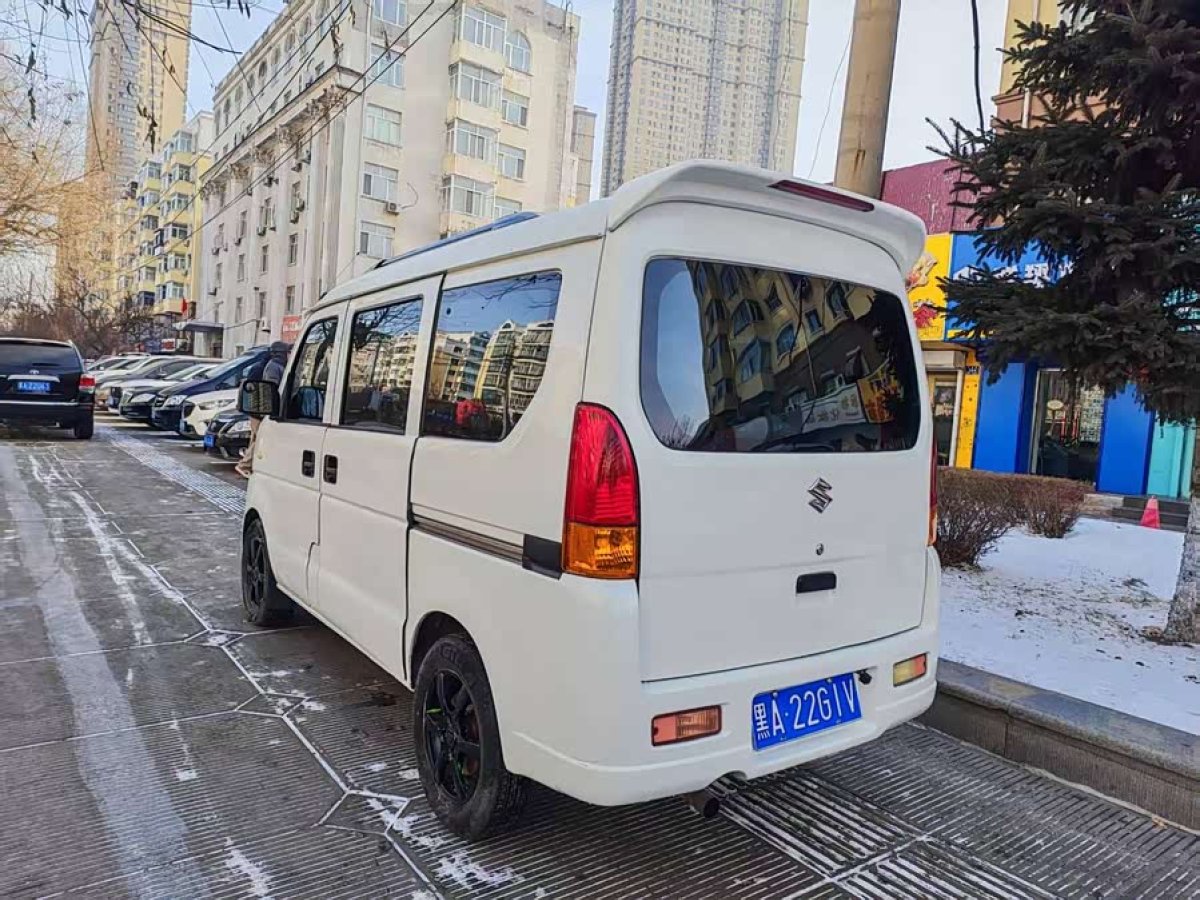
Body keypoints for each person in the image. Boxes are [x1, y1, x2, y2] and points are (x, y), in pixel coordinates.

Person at [236, 341, 290, 478]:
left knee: (256, 437)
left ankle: (250, 464)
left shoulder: (265, 365)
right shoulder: (273, 367)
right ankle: (244, 465)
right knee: (259, 438)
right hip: (262, 409)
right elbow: (271, 387)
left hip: (259, 408)